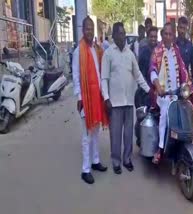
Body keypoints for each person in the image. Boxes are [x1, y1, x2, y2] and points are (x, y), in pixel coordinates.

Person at [101, 22, 150, 174]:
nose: (122, 36)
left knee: (128, 133)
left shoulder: (130, 54)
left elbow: (138, 74)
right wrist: (106, 97)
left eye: (124, 33)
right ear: (114, 36)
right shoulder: (108, 54)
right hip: (114, 103)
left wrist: (149, 90)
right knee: (115, 134)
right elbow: (104, 78)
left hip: (129, 101)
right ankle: (116, 161)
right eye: (119, 34)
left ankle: (127, 159)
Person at [72, 16, 109, 184]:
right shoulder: (78, 51)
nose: (90, 31)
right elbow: (75, 77)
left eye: (91, 28)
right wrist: (80, 97)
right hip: (86, 99)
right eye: (87, 28)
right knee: (87, 135)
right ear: (82, 30)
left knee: (95, 131)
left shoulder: (95, 49)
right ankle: (85, 170)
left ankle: (95, 162)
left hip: (96, 98)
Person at [149, 23, 188, 164]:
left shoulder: (176, 50)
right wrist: (158, 86)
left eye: (170, 34)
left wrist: (187, 85)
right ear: (162, 35)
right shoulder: (157, 51)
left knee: (184, 112)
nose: (168, 36)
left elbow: (182, 69)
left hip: (176, 93)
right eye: (165, 33)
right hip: (162, 94)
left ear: (173, 36)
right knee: (166, 112)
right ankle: (160, 149)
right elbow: (152, 70)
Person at [134, 26, 158, 108]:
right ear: (148, 37)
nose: (153, 39)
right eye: (151, 37)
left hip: (159, 90)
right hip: (147, 92)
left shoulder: (160, 51)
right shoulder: (144, 52)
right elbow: (140, 73)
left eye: (155, 37)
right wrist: (148, 89)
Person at [176, 16, 193, 81]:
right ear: (177, 28)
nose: (182, 31)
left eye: (184, 28)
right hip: (173, 81)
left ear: (186, 29)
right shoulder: (172, 44)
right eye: (180, 28)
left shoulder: (189, 45)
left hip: (186, 82)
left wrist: (192, 81)